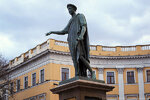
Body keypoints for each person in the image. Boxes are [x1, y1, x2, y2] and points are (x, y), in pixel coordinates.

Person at [46, 4, 93, 78]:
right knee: (74, 59)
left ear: (74, 9)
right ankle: (77, 74)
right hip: (71, 40)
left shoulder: (80, 16)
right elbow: (63, 31)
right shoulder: (71, 20)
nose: (69, 10)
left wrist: (81, 35)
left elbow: (84, 26)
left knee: (80, 56)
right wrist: (52, 32)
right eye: (68, 9)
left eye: (70, 8)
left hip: (78, 39)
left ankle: (91, 71)